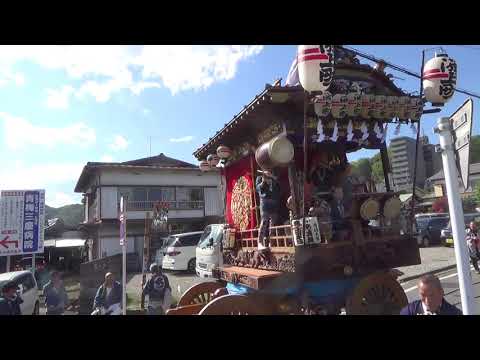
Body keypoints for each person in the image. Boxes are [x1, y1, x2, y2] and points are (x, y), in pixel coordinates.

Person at [255, 170, 281, 251]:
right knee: (264, 222)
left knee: (272, 224)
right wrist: (263, 181)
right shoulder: (259, 178)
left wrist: (272, 177)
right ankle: (260, 243)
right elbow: (258, 188)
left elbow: (279, 187)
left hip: (273, 203)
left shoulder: (274, 179)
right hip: (265, 203)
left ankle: (271, 242)